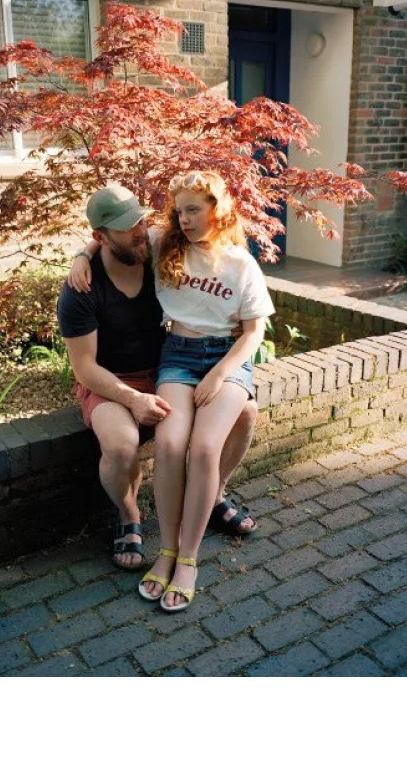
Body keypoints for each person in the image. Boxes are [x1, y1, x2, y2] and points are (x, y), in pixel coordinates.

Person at [70, 172, 274, 612]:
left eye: (193, 210)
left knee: (203, 449)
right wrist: (81, 256)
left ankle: (188, 558)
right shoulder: (165, 244)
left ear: (218, 209)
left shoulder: (242, 264)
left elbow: (254, 333)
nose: (182, 219)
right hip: (178, 355)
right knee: (168, 441)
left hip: (225, 359)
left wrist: (220, 374)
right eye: (178, 210)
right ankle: (164, 553)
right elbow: (109, 240)